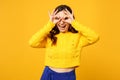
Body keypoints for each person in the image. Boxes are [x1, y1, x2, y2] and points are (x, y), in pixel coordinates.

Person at [29, 4, 99, 80]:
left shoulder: (77, 37)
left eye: (66, 18)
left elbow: (95, 37)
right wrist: (50, 24)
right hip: (49, 75)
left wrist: (74, 23)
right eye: (58, 18)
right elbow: (32, 43)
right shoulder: (50, 37)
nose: (61, 22)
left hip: (68, 76)